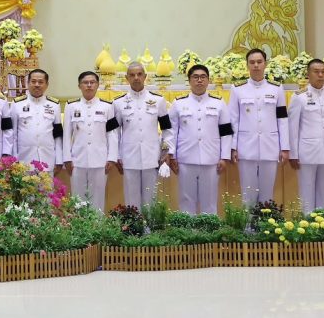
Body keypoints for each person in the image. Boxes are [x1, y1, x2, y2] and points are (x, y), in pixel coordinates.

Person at [167, 64, 233, 215]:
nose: (199, 80)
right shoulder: (178, 103)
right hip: (185, 159)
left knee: (209, 202)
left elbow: (226, 132)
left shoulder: (218, 103)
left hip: (211, 160)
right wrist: (172, 155)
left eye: (203, 77)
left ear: (208, 80)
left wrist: (224, 157)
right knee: (186, 201)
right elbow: (171, 131)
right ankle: (187, 229)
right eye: (195, 77)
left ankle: (209, 230)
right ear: (189, 80)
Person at [228, 48, 289, 207]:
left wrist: (285, 147)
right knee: (248, 193)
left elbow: (282, 119)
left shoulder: (276, 88)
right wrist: (232, 147)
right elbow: (233, 120)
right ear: (247, 65)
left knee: (267, 194)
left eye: (259, 62)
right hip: (246, 147)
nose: (256, 65)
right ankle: (248, 222)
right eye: (252, 62)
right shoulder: (237, 89)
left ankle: (266, 221)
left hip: (270, 146)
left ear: (265, 64)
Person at [287, 59, 324, 213]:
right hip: (307, 152)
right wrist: (293, 154)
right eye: (316, 72)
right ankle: (307, 223)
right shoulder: (299, 97)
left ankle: (322, 222)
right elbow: (292, 127)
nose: (320, 75)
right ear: (308, 74)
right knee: (306, 193)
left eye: (323, 72)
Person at [112, 63, 173, 208]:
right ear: (127, 78)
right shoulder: (118, 103)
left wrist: (166, 152)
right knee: (131, 201)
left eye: (139, 74)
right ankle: (134, 223)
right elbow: (115, 133)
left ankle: (150, 224)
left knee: (150, 200)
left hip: (151, 156)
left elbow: (167, 129)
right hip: (129, 157)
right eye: (132, 75)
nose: (136, 78)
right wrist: (117, 155)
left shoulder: (158, 101)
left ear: (145, 77)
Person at [62, 71, 119, 212]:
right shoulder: (71, 106)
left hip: (100, 160)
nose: (89, 85)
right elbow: (66, 134)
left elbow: (112, 134)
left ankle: (97, 225)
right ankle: (78, 223)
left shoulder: (107, 106)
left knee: (97, 199)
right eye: (85, 82)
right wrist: (67, 158)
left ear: (97, 85)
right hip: (77, 160)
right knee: (77, 199)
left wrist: (112, 158)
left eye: (92, 82)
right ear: (79, 86)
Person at [11, 69, 62, 173]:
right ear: (28, 83)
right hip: (24, 160)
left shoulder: (54, 105)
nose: (37, 85)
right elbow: (13, 135)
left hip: (47, 159)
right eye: (33, 81)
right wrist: (14, 158)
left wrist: (59, 160)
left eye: (41, 82)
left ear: (47, 85)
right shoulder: (17, 104)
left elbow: (57, 135)